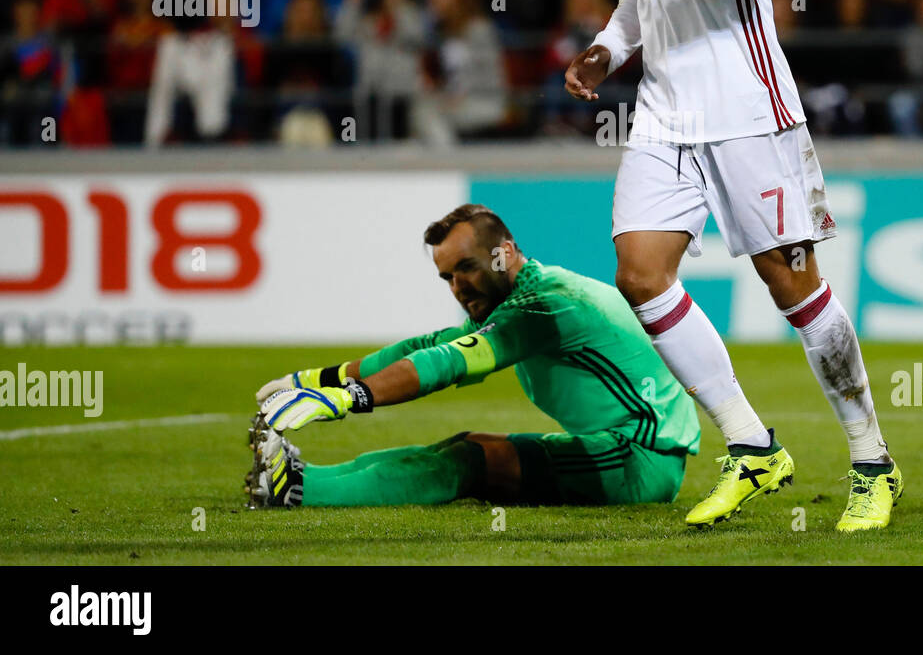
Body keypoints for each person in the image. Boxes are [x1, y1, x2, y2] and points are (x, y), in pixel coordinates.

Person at [552, 0, 901, 532]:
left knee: (793, 288)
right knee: (641, 272)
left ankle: (872, 461)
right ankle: (751, 447)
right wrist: (608, 48)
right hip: (666, 108)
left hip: (745, 104)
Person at [246, 204, 700, 509]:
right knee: (462, 445)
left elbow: (449, 364)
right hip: (624, 448)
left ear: (502, 255)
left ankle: (300, 490)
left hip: (643, 459)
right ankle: (304, 475)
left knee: (472, 461)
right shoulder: (517, 296)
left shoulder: (546, 305)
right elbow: (427, 348)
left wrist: (346, 399)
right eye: (447, 276)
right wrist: (318, 379)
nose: (458, 286)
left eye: (466, 267)